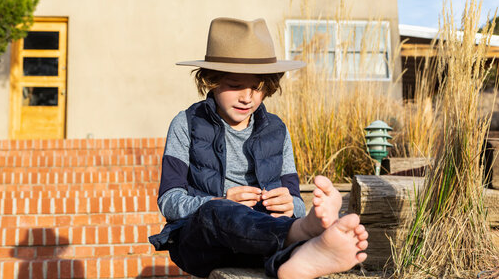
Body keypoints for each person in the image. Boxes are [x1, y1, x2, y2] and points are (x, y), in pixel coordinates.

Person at [149, 17, 368, 279]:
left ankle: (298, 256)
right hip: (202, 242)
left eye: (257, 87)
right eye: (234, 86)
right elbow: (169, 201)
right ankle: (303, 232)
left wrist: (292, 207)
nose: (247, 97)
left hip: (264, 239)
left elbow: (296, 199)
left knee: (286, 223)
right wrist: (220, 200)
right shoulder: (186, 123)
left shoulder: (277, 130)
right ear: (211, 80)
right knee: (217, 211)